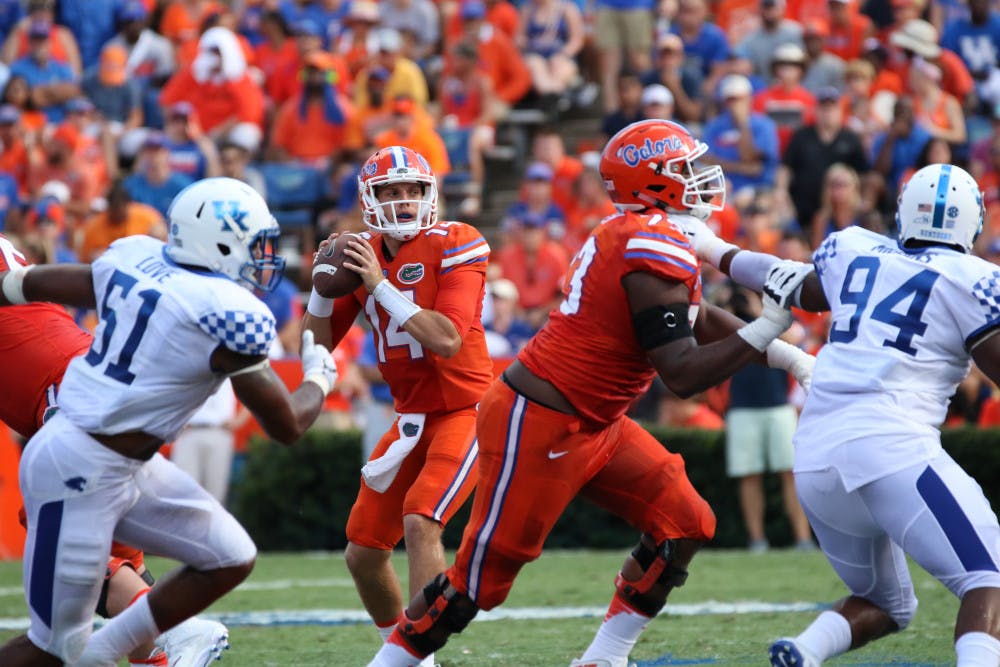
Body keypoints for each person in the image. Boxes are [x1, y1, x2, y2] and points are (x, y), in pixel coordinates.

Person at [365, 119, 816, 667]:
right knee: (476, 585)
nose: (699, 178)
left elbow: (696, 318)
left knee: (686, 523)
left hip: (598, 421)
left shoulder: (650, 235)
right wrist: (766, 327)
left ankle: (604, 658)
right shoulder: (645, 244)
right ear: (653, 182)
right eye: (683, 169)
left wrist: (790, 356)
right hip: (540, 422)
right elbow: (683, 374)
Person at [0, 176, 338, 667]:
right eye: (255, 245)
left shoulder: (136, 258)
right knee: (51, 649)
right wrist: (319, 376)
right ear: (220, 243)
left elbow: (50, 282)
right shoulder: (225, 314)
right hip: (78, 464)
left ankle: (118, 651)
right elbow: (286, 424)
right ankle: (122, 649)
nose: (264, 258)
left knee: (231, 555)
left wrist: (10, 285)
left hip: (120, 461)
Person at [675, 162, 1000, 667]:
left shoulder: (854, 249)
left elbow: (782, 279)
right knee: (988, 578)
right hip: (894, 450)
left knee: (889, 603)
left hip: (816, 456)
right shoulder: (975, 279)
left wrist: (709, 246)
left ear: (903, 211)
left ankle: (804, 652)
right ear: (972, 225)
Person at [0, 232, 234, 667]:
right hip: (89, 380)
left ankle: (177, 631)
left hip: (70, 393)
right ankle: (162, 652)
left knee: (61, 539)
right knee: (121, 557)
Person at [303, 146, 493, 667]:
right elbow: (317, 344)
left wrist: (379, 286)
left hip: (468, 410)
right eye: (392, 191)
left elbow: (448, 338)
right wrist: (321, 290)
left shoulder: (458, 241)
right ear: (370, 198)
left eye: (413, 190)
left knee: (421, 519)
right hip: (410, 418)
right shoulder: (361, 253)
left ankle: (415, 657)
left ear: (430, 195)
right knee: (363, 552)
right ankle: (411, 655)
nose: (405, 201)